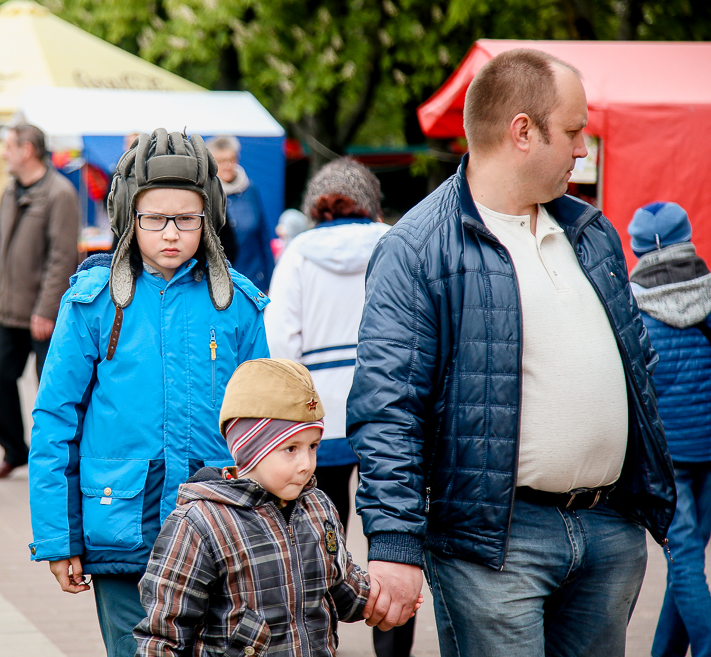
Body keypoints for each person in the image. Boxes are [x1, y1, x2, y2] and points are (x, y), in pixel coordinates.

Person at [346, 48, 676, 656]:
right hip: (495, 543)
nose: (583, 149)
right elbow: (388, 408)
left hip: (609, 529)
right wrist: (392, 544)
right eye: (574, 131)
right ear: (522, 131)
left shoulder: (591, 231)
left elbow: (638, 371)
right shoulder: (419, 248)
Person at [28, 129, 270, 657]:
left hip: (217, 529)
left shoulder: (239, 307)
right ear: (126, 217)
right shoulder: (91, 304)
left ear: (209, 217)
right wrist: (57, 537)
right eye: (154, 218)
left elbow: (264, 429)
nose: (170, 232)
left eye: (186, 217)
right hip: (121, 530)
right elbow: (55, 420)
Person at [136, 358, 413, 656]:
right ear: (249, 449)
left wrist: (382, 598)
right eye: (290, 449)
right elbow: (164, 635)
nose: (306, 464)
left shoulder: (318, 507)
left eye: (313, 446)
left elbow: (340, 587)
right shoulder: (199, 523)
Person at [265, 157, 414, 657]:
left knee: (320, 534)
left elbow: (281, 340)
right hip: (391, 416)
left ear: (315, 206)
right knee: (392, 537)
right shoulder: (398, 241)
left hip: (318, 420)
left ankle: (318, 639)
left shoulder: (298, 254)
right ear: (370, 201)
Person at [627, 202, 711, 657]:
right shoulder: (710, 293)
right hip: (708, 453)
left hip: (666, 458)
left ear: (638, 245)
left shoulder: (629, 303)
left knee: (685, 565)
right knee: (689, 562)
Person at [0, 124, 80, 480]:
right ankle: (14, 451)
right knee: (1, 383)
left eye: (8, 146)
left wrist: (46, 309)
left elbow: (61, 257)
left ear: (27, 149)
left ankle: (56, 460)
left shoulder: (60, 193)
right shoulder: (11, 190)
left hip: (41, 315)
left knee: (50, 391)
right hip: (11, 311)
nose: (3, 153)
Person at [206, 135, 274, 292]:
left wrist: (271, 281)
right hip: (220, 284)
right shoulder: (206, 194)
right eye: (221, 161)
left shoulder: (251, 190)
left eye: (232, 159)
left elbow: (263, 237)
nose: (228, 165)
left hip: (254, 280)